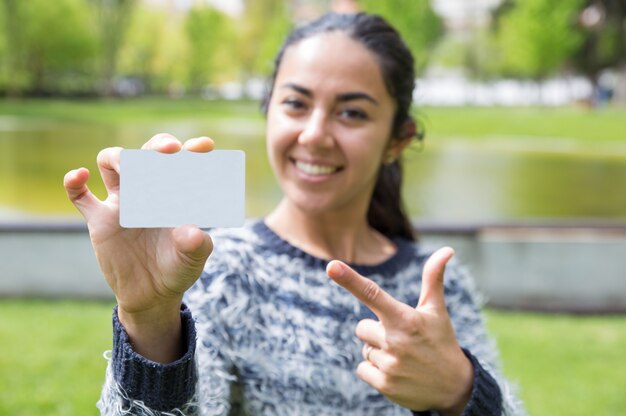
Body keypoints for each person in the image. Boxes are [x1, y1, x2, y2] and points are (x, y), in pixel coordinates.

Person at [64, 12, 524, 416]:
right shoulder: (208, 269)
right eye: (296, 104)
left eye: (352, 113)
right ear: (268, 113)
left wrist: (460, 392)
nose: (314, 135)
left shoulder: (435, 285)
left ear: (397, 141)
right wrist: (148, 319)